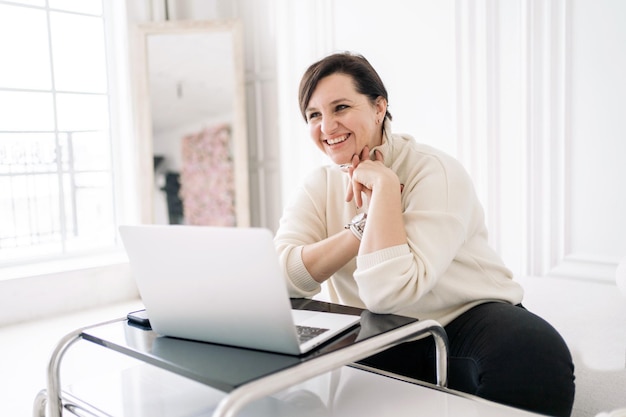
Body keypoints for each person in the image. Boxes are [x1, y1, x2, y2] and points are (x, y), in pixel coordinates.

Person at [274, 51, 575, 416]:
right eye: (314, 115)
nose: (327, 126)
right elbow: (280, 279)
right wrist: (361, 227)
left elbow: (390, 292)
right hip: (377, 334)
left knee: (533, 355)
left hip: (462, 318)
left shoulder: (435, 172)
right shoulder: (318, 186)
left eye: (340, 107)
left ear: (379, 107)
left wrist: (385, 189)